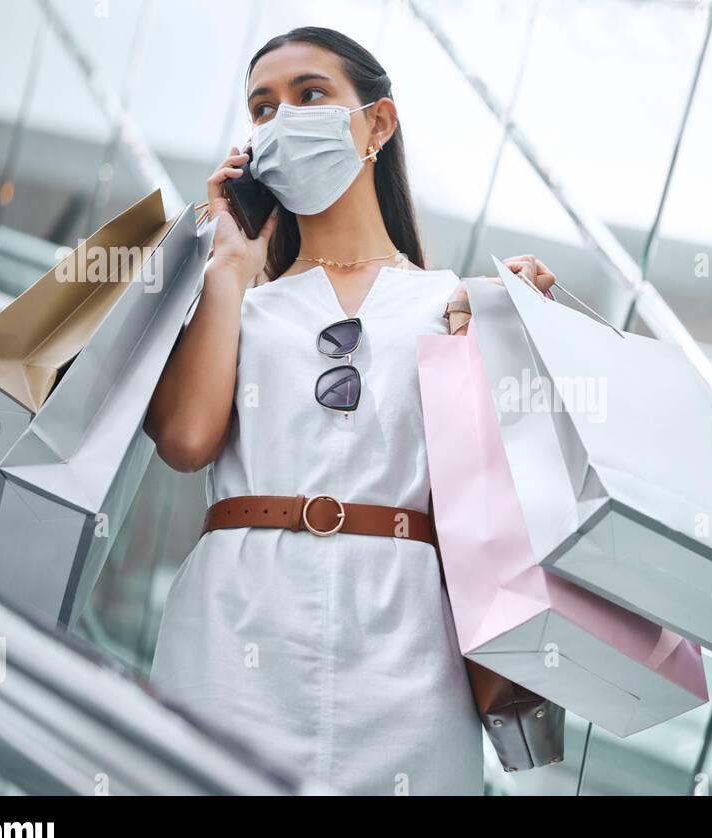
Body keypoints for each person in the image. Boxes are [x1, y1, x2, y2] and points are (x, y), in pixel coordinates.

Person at [142, 25, 556, 795]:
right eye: (262, 109)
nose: (282, 120)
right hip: (234, 635)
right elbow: (187, 439)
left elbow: (506, 489)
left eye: (310, 95)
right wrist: (231, 260)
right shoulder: (237, 303)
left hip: (405, 654)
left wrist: (524, 330)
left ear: (378, 123)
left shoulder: (457, 303)